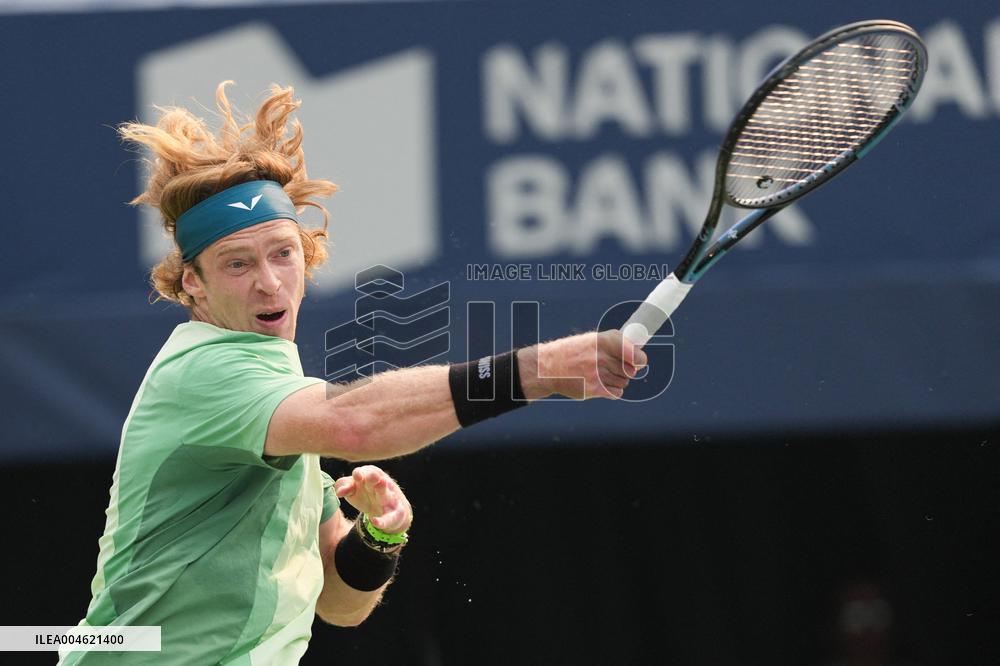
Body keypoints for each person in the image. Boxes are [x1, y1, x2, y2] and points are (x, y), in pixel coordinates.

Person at [62, 81, 645, 664]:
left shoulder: (274, 401)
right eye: (237, 264)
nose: (268, 282)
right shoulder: (206, 371)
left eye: (282, 253)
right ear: (193, 281)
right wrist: (538, 371)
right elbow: (356, 424)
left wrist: (379, 537)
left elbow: (340, 605)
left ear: (306, 254)